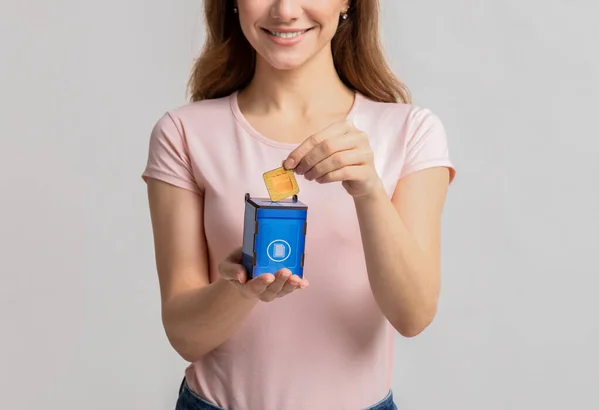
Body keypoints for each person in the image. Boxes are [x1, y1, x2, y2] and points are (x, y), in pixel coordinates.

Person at [142, 0, 456, 409]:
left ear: (348, 3)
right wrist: (239, 291)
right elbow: (184, 337)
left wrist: (369, 190)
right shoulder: (183, 133)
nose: (286, 10)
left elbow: (412, 316)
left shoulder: (410, 132)